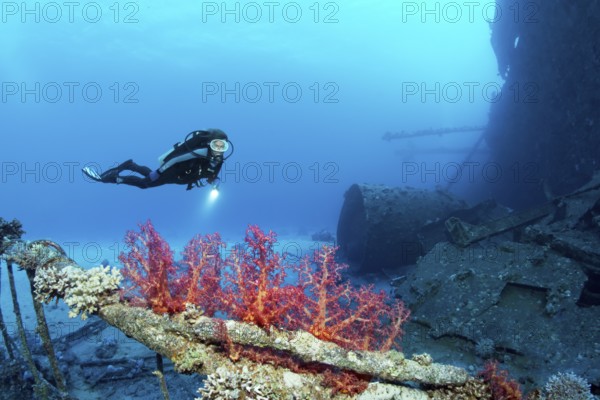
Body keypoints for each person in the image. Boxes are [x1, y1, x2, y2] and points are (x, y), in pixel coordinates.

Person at [83, 129, 232, 190]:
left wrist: (214, 180)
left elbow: (211, 173)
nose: (218, 149)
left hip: (181, 178)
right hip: (173, 171)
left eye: (222, 146)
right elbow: (175, 159)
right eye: (215, 144)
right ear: (209, 143)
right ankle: (113, 178)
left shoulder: (219, 159)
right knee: (145, 184)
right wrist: (160, 172)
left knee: (149, 176)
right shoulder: (201, 151)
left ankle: (131, 165)